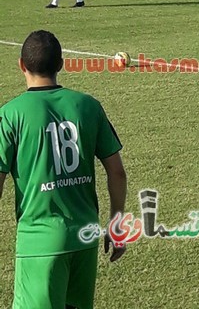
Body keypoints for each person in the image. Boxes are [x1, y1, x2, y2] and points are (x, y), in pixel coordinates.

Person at [0, 30, 127, 309]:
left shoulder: (11, 114)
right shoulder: (88, 106)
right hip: (84, 238)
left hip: (40, 243)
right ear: (61, 64)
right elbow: (117, 172)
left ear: (21, 64)